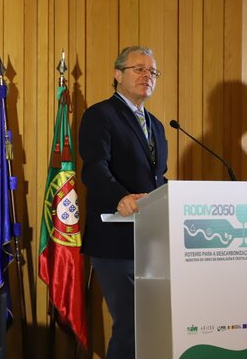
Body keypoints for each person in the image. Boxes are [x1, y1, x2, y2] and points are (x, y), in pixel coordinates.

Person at [79, 46, 168, 358]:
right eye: (139, 69)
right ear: (118, 74)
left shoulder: (157, 125)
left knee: (152, 325)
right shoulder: (100, 115)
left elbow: (156, 178)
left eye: (152, 71)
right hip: (114, 241)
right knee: (131, 324)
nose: (147, 76)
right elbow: (94, 168)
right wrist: (119, 197)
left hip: (151, 242)